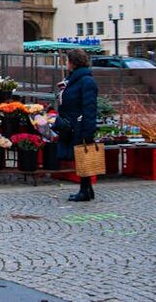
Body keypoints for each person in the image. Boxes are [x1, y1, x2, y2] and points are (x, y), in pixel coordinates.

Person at [55, 48, 98, 202]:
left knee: (83, 157)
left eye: (67, 61)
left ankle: (84, 190)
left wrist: (88, 130)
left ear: (73, 62)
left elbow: (89, 107)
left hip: (80, 124)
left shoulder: (86, 81)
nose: (66, 64)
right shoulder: (74, 79)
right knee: (81, 157)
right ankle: (87, 189)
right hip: (73, 123)